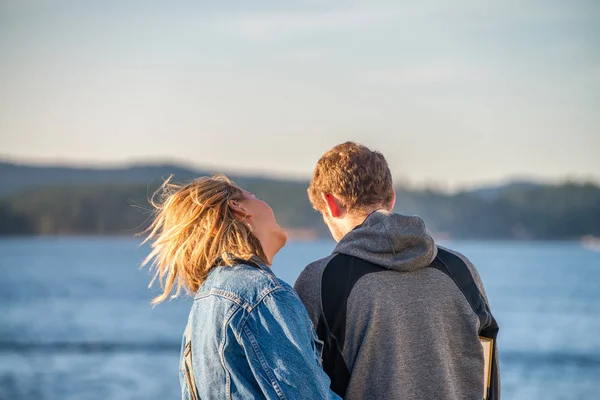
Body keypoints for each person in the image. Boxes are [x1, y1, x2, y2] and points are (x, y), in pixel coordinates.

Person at [294, 142, 500, 400]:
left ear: (331, 203)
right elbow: (486, 375)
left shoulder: (321, 279)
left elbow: (298, 384)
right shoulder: (460, 269)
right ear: (391, 198)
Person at [142, 174, 340, 400]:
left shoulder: (202, 307)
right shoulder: (262, 294)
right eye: (253, 196)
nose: (265, 204)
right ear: (237, 207)